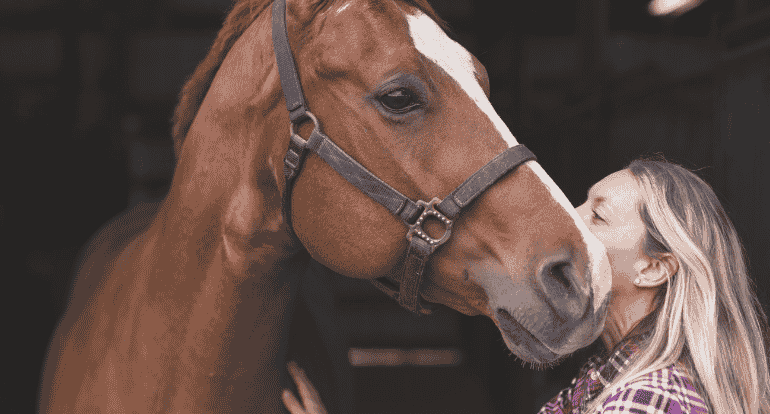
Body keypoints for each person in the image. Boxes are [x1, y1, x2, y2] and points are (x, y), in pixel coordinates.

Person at [281, 157, 770, 414]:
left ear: (653, 269)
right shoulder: (604, 382)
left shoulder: (645, 401)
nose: (570, 222)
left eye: (596, 214)